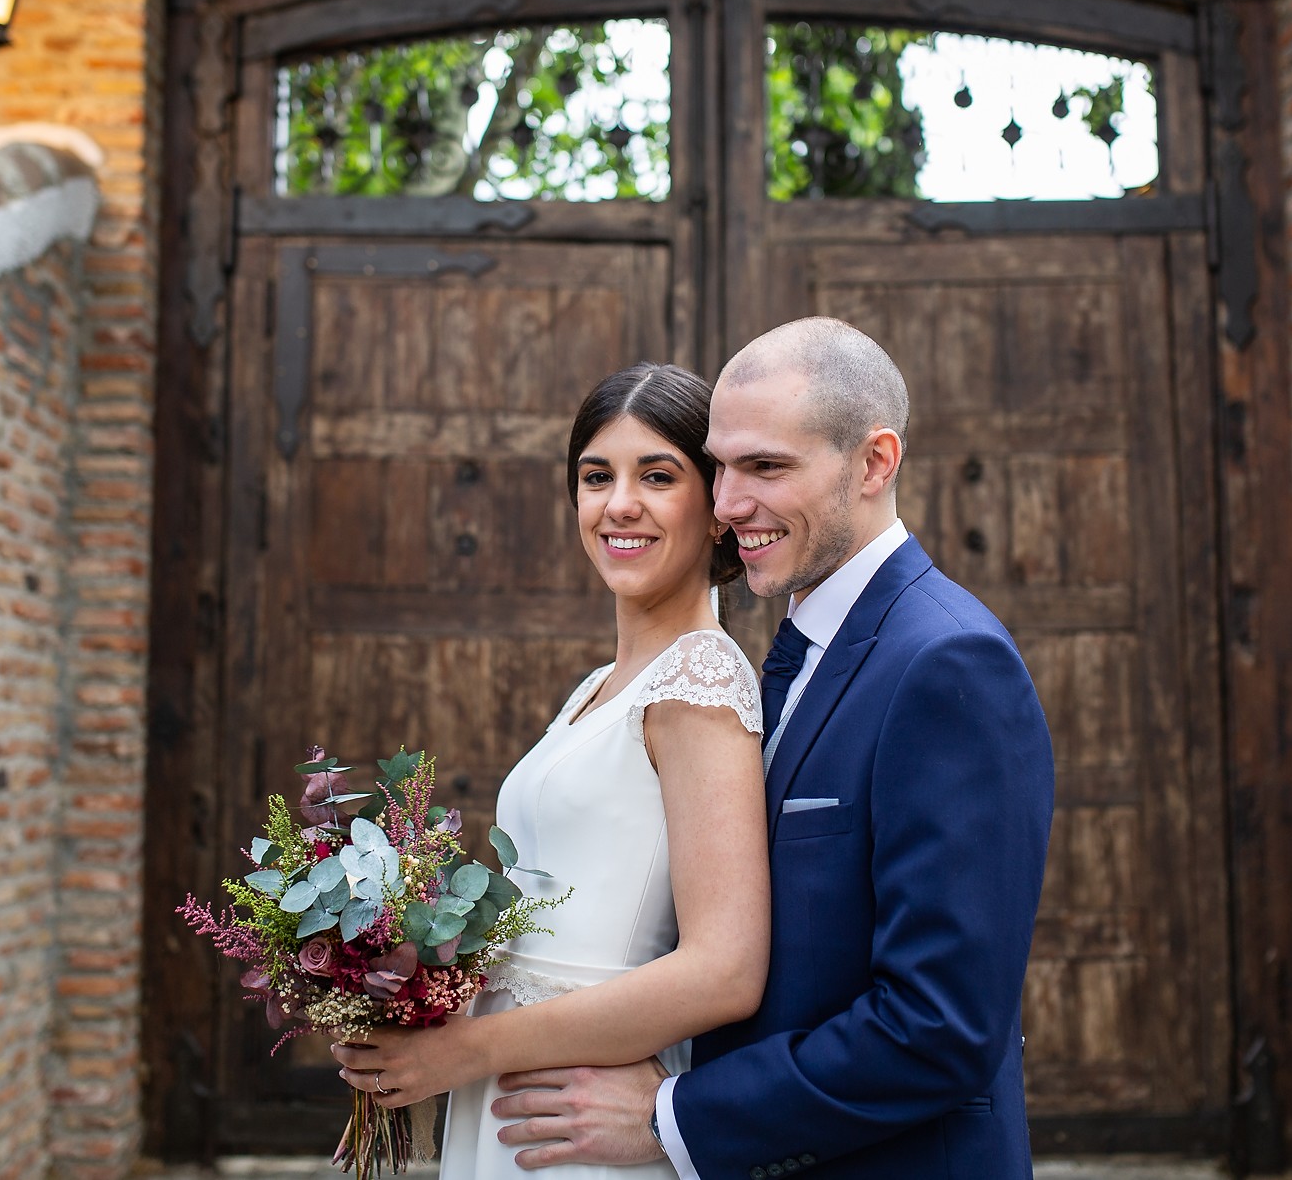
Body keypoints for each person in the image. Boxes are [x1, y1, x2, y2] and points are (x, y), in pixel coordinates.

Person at [484, 318, 1056, 1178]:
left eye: (767, 467)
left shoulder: (945, 663)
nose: (726, 505)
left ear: (873, 462)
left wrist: (674, 1116)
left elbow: (940, 1027)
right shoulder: (792, 655)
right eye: (721, 467)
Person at [331, 362, 772, 1179]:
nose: (620, 504)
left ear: (715, 509)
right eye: (596, 476)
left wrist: (469, 1048)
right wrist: (413, 981)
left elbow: (726, 969)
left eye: (658, 476)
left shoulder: (701, 685)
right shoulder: (596, 691)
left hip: (583, 1111)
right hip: (514, 1091)